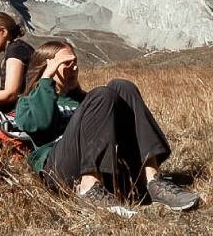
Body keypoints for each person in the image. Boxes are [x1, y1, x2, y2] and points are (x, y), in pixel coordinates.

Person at [15, 41, 200, 211]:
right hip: (59, 168)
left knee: (121, 86)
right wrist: (46, 79)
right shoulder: (27, 102)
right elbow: (40, 125)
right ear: (48, 66)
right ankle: (89, 188)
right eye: (67, 64)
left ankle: (153, 181)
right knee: (102, 94)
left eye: (76, 62)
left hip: (107, 169)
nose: (75, 68)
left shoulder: (88, 101)